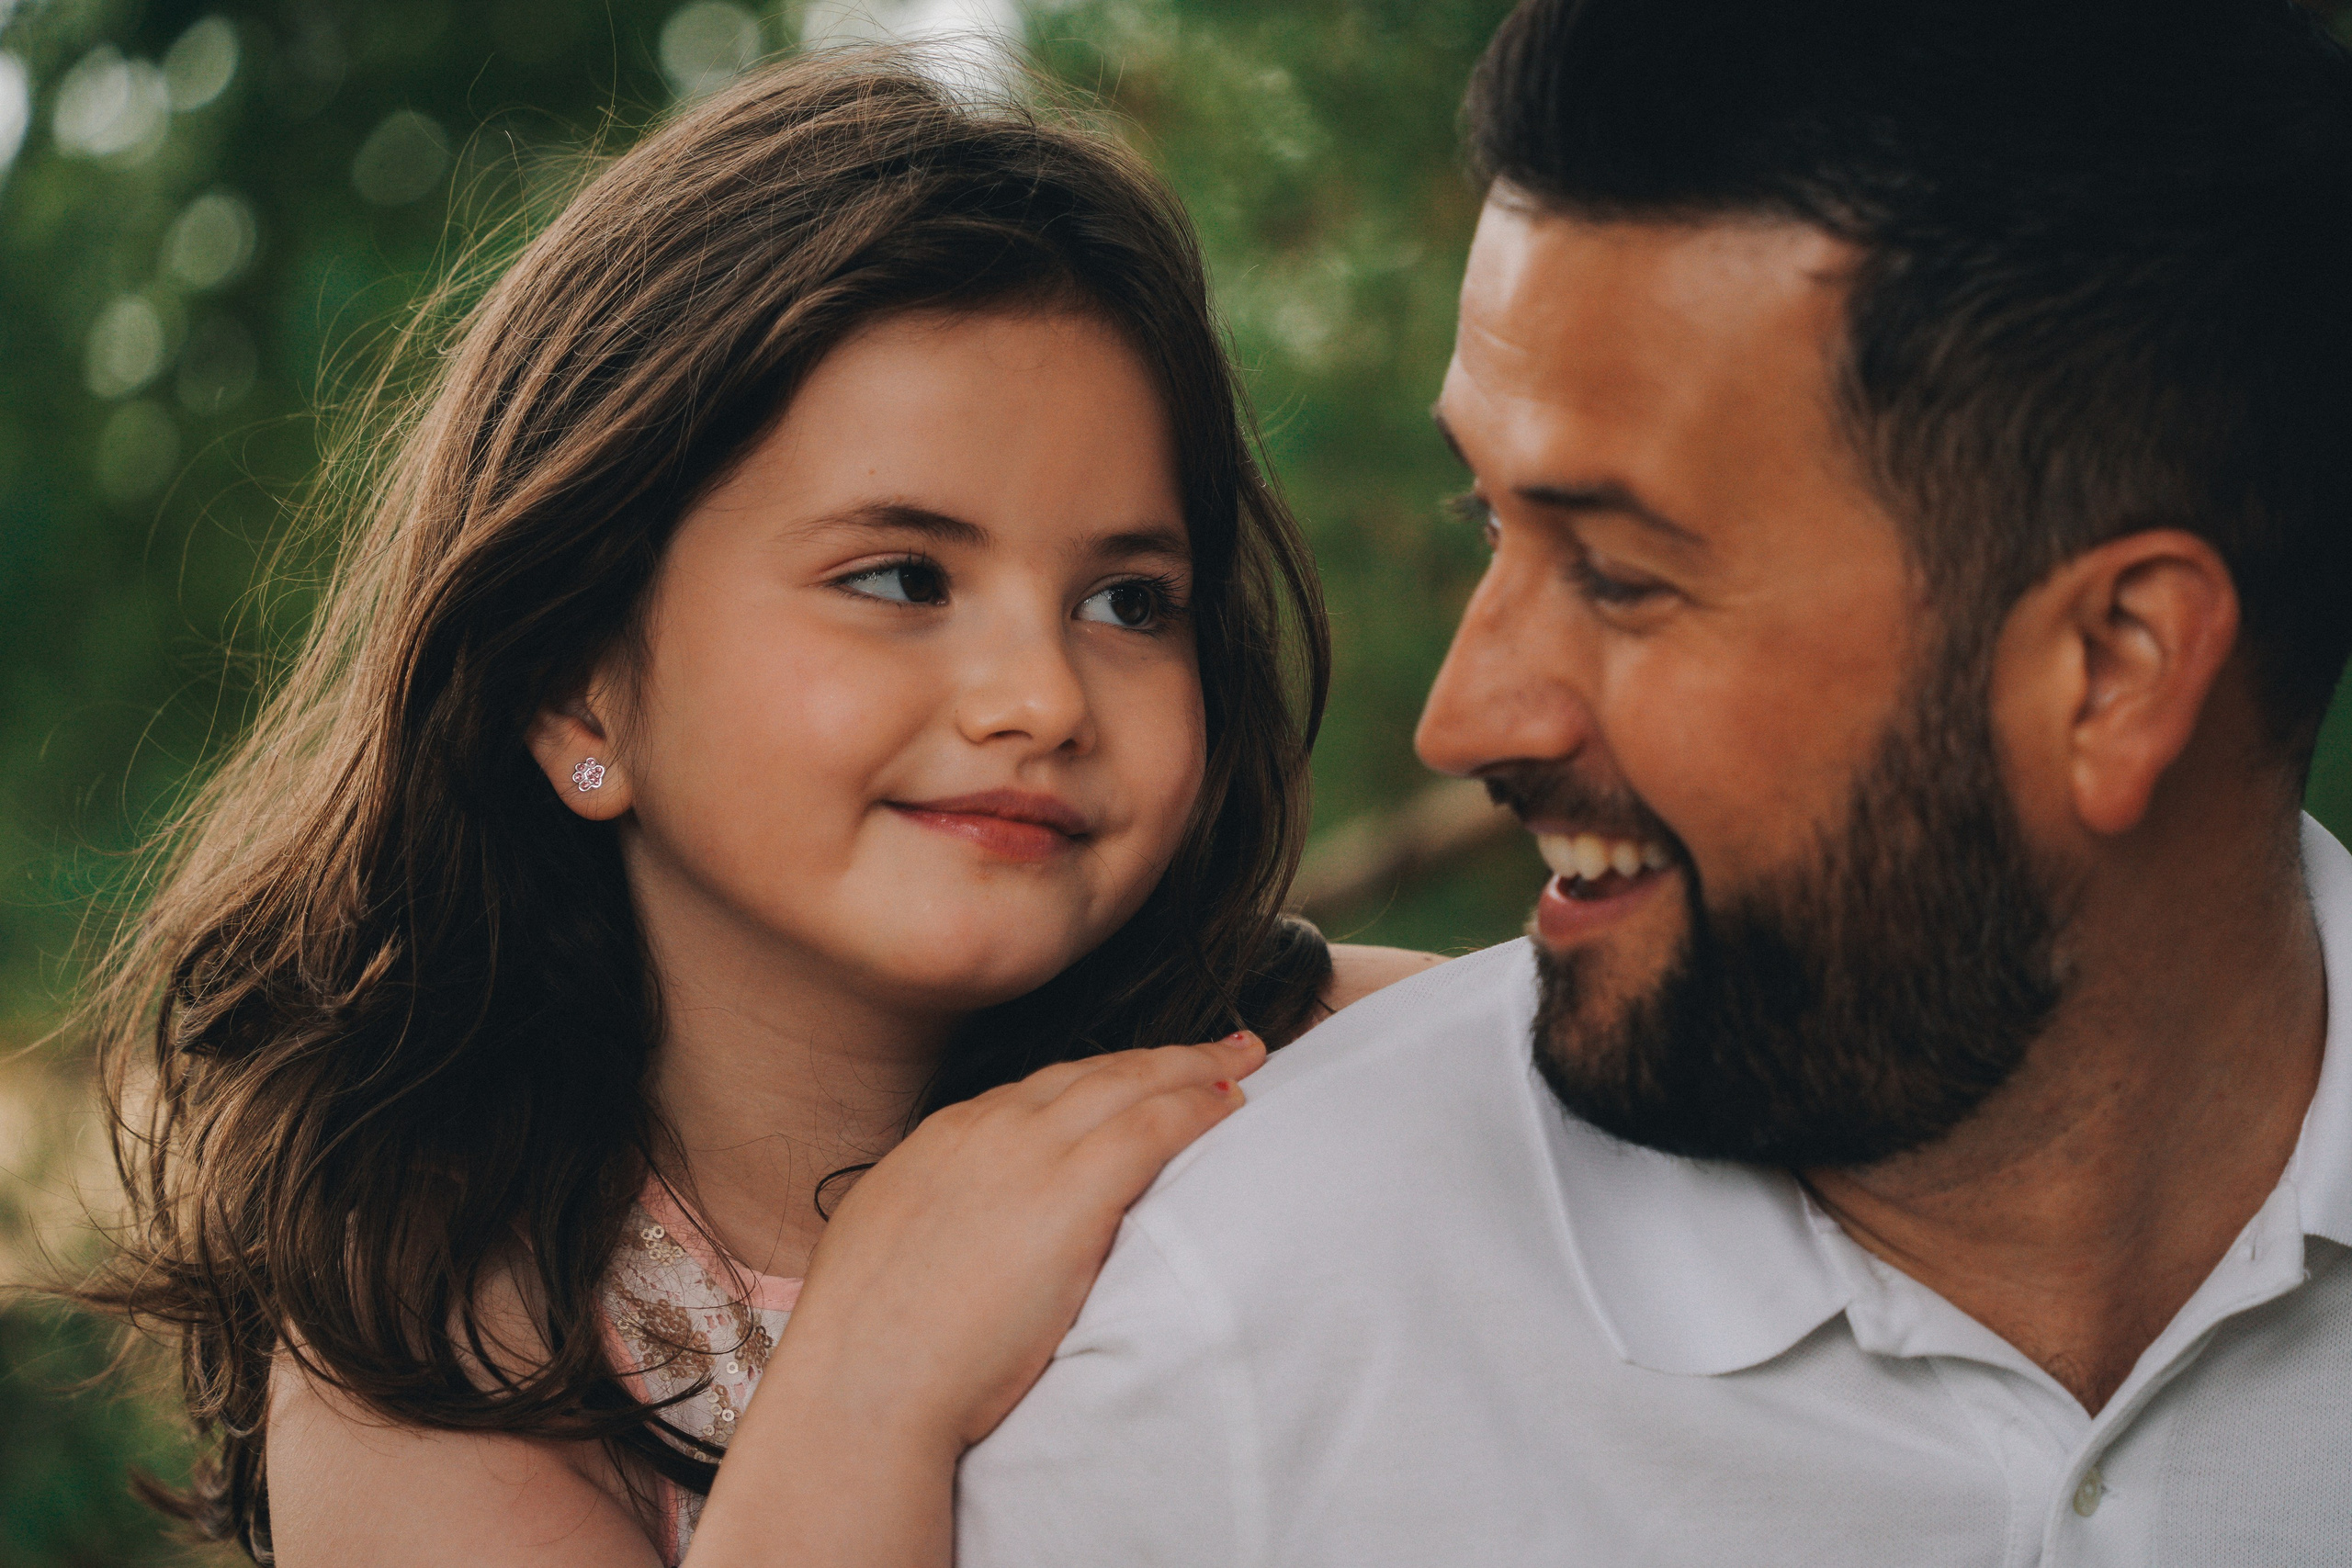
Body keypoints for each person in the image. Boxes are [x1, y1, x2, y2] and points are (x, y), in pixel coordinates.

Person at [956, 0, 2352, 1561]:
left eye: (1618, 574)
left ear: (2114, 666)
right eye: (1492, 525)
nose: (1469, 714)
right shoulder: (1232, 1340)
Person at [74, 56, 1438, 1567]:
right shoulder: (438, 1323)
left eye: (1130, 600)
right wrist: (872, 1372)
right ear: (577, 691)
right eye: (904, 578)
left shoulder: (1324, 1072)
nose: (1042, 697)